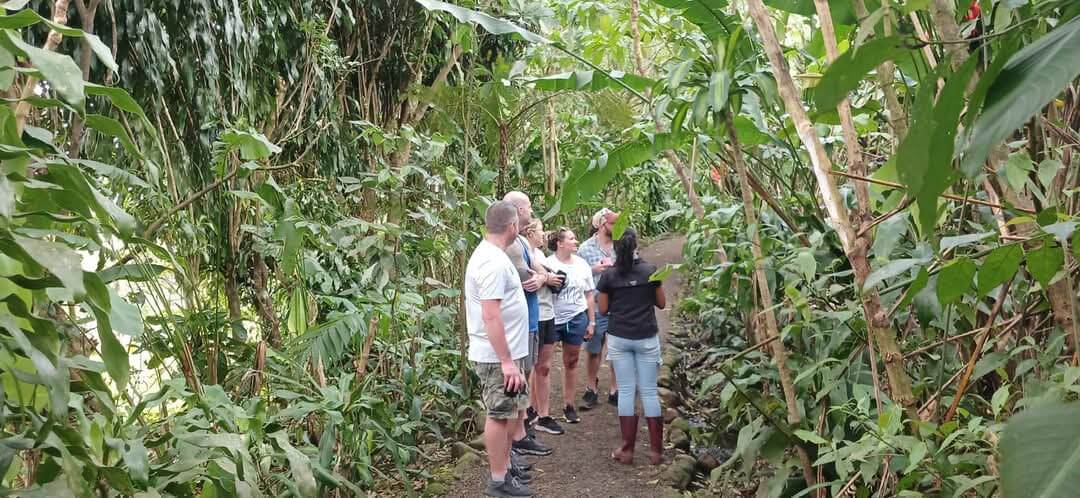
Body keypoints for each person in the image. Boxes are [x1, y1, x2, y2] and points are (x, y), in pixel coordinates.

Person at [465, 201, 534, 497]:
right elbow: (490, 315)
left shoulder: (495, 254)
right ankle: (497, 481)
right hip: (496, 357)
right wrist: (506, 361)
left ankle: (505, 469)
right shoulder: (491, 262)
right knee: (498, 413)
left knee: (509, 412)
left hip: (508, 353)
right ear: (512, 226)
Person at [597, 228, 667, 465]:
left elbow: (603, 309)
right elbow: (661, 303)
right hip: (646, 336)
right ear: (636, 244)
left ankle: (627, 450)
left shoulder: (609, 275)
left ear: (615, 247)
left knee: (626, 390)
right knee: (649, 391)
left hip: (619, 337)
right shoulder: (650, 270)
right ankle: (656, 452)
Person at [500, 192, 555, 458]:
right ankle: (514, 439)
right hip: (515, 323)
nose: (532, 211)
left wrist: (542, 278)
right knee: (516, 379)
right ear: (519, 210)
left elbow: (541, 272)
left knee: (526, 373)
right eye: (529, 207)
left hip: (531, 318)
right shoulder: (508, 245)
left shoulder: (522, 241)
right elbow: (524, 276)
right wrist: (540, 277)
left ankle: (521, 431)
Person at [544, 227, 596, 424]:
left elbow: (589, 294)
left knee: (572, 361)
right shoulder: (547, 264)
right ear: (560, 243)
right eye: (572, 239)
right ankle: (538, 409)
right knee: (543, 365)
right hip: (551, 319)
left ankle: (569, 405)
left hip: (576, 317)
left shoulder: (582, 264)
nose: (576, 241)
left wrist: (591, 322)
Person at [522, 219, 565, 435]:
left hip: (548, 313)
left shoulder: (539, 254)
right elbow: (530, 279)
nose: (544, 234)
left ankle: (543, 414)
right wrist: (547, 278)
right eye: (540, 231)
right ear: (530, 233)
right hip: (533, 315)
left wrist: (550, 279)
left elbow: (546, 278)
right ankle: (525, 414)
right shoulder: (520, 253)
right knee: (528, 366)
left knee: (545, 366)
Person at [577, 208, 620, 408]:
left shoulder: (621, 245)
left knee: (617, 349)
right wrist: (594, 269)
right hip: (594, 306)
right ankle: (591, 387)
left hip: (618, 305)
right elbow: (576, 275)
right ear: (602, 224)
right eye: (613, 224)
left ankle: (615, 388)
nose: (617, 227)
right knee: (594, 349)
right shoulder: (585, 248)